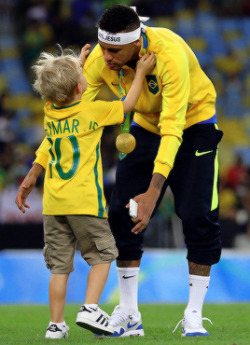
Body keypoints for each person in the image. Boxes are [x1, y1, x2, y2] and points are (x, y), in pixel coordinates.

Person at [34, 4, 224, 338]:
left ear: (137, 43)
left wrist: (153, 193)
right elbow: (73, 113)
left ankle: (194, 313)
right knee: (122, 212)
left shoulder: (170, 56)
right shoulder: (98, 60)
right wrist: (43, 163)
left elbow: (173, 129)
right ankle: (129, 312)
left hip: (193, 125)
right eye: (102, 47)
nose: (104, 57)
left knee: (197, 216)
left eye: (113, 50)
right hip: (143, 126)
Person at [15, 43, 155, 339]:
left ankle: (55, 325)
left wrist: (74, 66)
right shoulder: (94, 110)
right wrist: (141, 72)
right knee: (104, 255)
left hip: (53, 205)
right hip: (85, 202)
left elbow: (63, 89)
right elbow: (128, 105)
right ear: (80, 86)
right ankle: (90, 307)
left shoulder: (49, 112)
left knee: (59, 267)